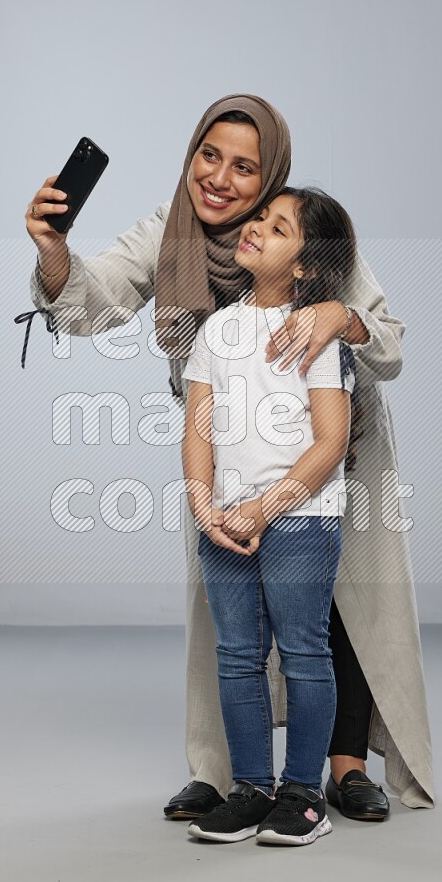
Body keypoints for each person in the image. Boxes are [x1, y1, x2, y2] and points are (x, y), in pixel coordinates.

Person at [20, 93, 434, 818]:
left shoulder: (300, 225)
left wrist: (341, 315)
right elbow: (91, 302)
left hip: (336, 443)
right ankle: (225, 774)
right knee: (227, 615)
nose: (219, 178)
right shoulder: (169, 231)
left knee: (344, 604)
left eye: (245, 167)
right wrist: (54, 250)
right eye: (209, 155)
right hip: (227, 457)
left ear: (270, 174)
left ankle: (344, 766)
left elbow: (389, 341)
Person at [182, 187, 357, 846]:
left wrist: (265, 507)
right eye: (261, 217)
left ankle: (304, 794)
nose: (257, 227)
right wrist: (204, 505)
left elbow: (330, 442)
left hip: (300, 519)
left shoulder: (315, 331)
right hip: (226, 521)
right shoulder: (215, 330)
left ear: (306, 264)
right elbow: (198, 427)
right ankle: (251, 789)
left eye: (279, 228)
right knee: (236, 654)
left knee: (305, 652)